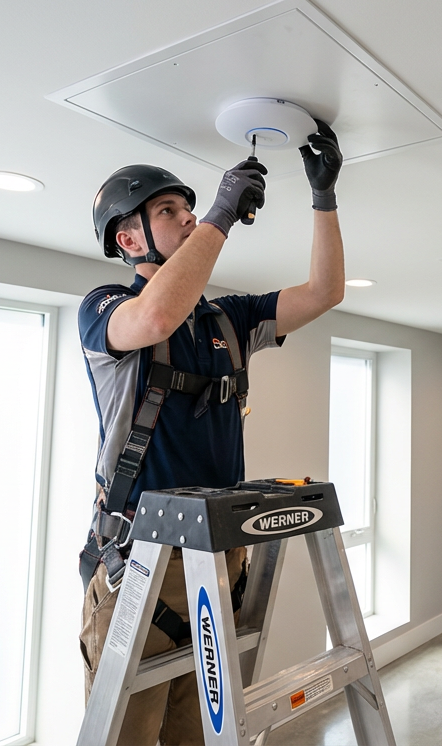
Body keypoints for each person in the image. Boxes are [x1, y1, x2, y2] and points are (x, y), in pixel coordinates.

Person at [76, 120, 345, 745]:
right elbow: (156, 317)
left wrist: (323, 197)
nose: (189, 217)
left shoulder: (229, 318)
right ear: (128, 238)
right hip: (140, 563)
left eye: (190, 208)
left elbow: (324, 291)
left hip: (220, 556)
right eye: (168, 211)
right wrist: (223, 214)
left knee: (199, 734)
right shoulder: (105, 309)